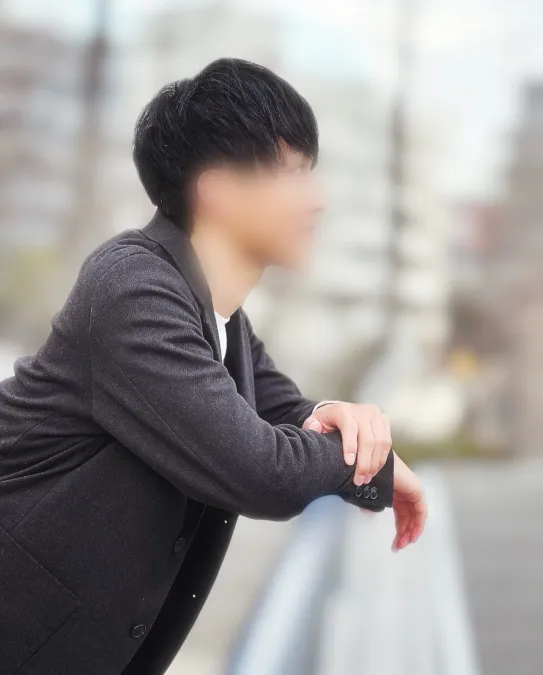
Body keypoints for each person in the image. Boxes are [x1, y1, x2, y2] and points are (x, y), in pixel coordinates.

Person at [0, 58, 426, 675]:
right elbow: (261, 469)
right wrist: (373, 466)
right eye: (296, 172)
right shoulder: (133, 289)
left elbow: (286, 412)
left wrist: (346, 422)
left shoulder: (222, 319)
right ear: (219, 190)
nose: (318, 200)